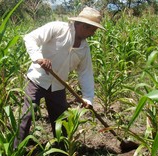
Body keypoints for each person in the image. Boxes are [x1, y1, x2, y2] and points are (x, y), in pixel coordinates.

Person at [14, 6, 105, 149]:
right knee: (27, 115)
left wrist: (88, 98)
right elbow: (30, 38)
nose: (93, 34)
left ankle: (60, 149)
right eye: (92, 30)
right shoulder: (57, 28)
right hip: (38, 80)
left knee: (61, 120)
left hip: (58, 85)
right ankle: (16, 149)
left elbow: (85, 73)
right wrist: (39, 58)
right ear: (83, 26)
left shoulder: (84, 48)